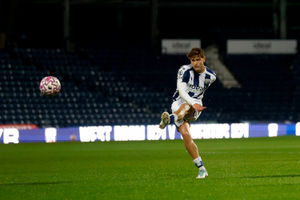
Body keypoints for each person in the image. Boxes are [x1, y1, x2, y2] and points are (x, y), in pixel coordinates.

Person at [159, 47, 216, 179]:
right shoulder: (184, 70)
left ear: (204, 59)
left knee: (187, 107)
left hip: (196, 105)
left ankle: (169, 119)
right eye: (193, 60)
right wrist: (192, 102)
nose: (195, 62)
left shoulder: (211, 77)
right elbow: (181, 91)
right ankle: (202, 169)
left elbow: (200, 93)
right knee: (185, 133)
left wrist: (195, 104)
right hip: (179, 102)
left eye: (198, 59)